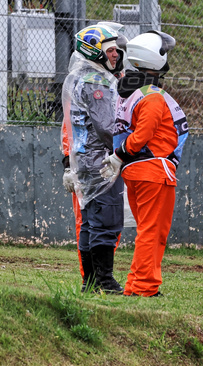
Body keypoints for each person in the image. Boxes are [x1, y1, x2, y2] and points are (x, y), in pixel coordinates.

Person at [102, 32, 187, 297]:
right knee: (153, 231)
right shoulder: (152, 96)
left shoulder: (128, 93)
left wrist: (120, 157)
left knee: (149, 231)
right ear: (154, 59)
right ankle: (141, 287)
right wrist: (120, 154)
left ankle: (141, 284)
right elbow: (142, 135)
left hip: (136, 171)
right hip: (154, 170)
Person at [61, 22, 125, 294]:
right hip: (100, 162)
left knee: (88, 221)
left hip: (82, 160)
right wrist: (127, 148)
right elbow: (106, 126)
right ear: (95, 51)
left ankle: (89, 282)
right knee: (104, 221)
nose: (116, 55)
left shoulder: (79, 76)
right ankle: (105, 281)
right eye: (110, 50)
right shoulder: (96, 81)